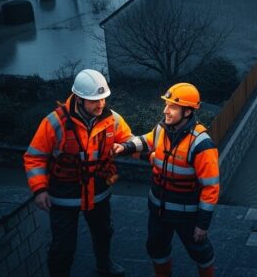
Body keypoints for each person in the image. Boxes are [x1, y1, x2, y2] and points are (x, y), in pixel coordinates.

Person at [23, 69, 132, 277]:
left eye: (102, 98)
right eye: (94, 101)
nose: (100, 104)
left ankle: (104, 265)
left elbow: (128, 140)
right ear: (79, 99)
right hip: (64, 197)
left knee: (103, 233)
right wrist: (39, 190)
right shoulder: (54, 123)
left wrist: (138, 150)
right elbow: (34, 156)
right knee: (63, 247)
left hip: (99, 193)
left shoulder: (112, 119)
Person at [113, 83, 219, 277]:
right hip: (158, 210)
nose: (165, 110)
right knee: (156, 248)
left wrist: (202, 224)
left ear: (187, 112)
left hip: (187, 215)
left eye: (172, 106)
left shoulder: (201, 144)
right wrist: (125, 147)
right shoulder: (162, 129)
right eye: (166, 105)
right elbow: (146, 140)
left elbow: (210, 188)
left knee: (201, 252)